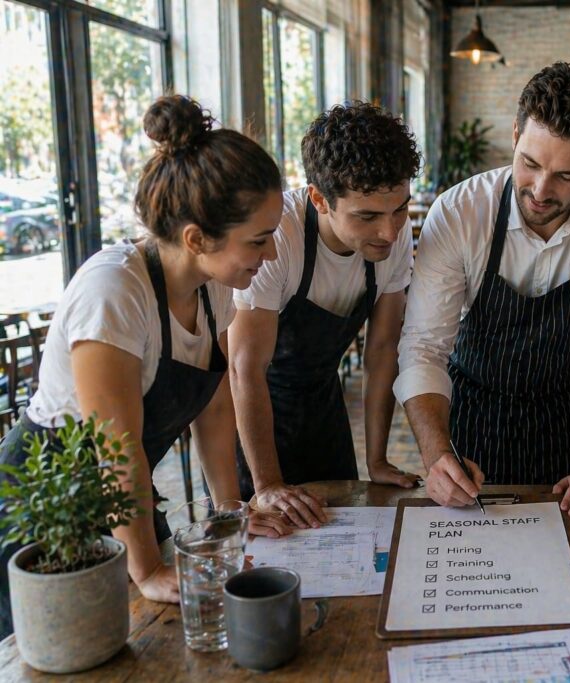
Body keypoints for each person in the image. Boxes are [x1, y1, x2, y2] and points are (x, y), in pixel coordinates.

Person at [0, 95, 291, 639]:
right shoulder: (113, 292)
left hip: (124, 503)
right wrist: (145, 568)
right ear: (196, 238)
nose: (271, 253)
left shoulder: (214, 291)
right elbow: (117, 449)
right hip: (43, 518)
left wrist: (230, 515)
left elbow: (215, 406)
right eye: (258, 239)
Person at [394, 62, 570, 519]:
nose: (540, 190)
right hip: (475, 418)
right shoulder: (460, 212)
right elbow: (423, 348)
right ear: (516, 135)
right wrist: (437, 456)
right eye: (530, 163)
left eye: (566, 176)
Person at [230, 103, 420, 529]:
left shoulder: (393, 236)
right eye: (367, 216)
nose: (389, 232)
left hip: (324, 406)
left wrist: (377, 459)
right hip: (254, 416)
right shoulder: (280, 237)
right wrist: (267, 484)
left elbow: (383, 349)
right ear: (319, 198)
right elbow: (245, 369)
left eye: (400, 209)